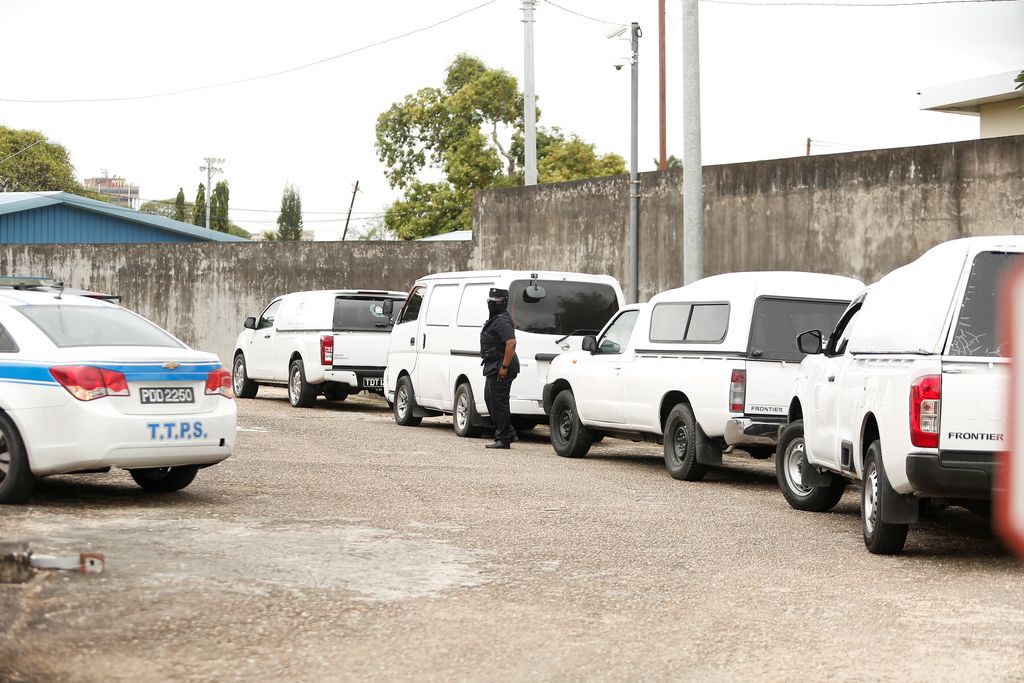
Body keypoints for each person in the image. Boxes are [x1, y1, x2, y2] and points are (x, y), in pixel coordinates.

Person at [480, 288, 520, 449]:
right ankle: (508, 432)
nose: (491, 304)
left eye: (495, 301)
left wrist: (504, 367)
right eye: (489, 301)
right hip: (494, 365)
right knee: (490, 398)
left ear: (503, 302)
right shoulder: (496, 318)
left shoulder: (502, 320)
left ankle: (503, 438)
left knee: (498, 402)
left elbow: (511, 343)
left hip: (502, 365)